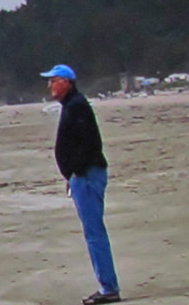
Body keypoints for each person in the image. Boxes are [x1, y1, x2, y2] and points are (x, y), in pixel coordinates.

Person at [42, 64, 121, 305]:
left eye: (53, 80)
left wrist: (76, 172)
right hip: (83, 176)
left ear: (66, 82)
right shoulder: (72, 106)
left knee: (95, 233)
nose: (49, 85)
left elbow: (89, 144)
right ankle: (107, 286)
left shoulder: (77, 106)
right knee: (93, 232)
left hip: (87, 176)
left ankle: (109, 287)